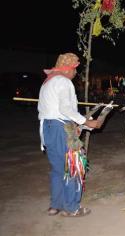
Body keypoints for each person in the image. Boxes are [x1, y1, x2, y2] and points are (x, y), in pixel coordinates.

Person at [38, 53, 99, 217]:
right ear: (69, 68)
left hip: (48, 129)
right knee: (72, 168)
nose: (75, 74)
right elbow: (65, 110)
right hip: (60, 129)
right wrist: (87, 123)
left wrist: (79, 123)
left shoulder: (48, 82)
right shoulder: (64, 82)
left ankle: (55, 206)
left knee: (58, 169)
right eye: (75, 70)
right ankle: (71, 208)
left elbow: (57, 111)